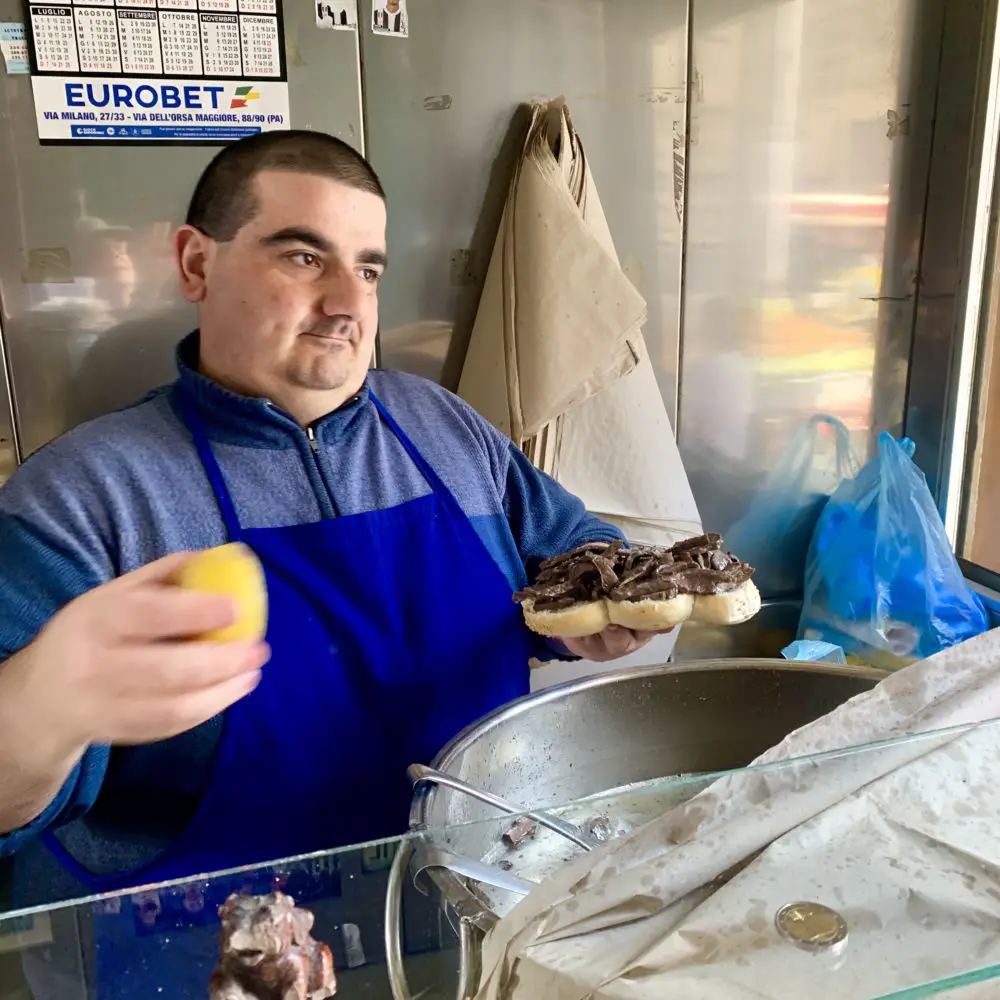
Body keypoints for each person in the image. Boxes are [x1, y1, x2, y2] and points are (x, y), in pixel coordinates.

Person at [0, 130, 663, 913]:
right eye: (303, 257)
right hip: (203, 948)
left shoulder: (442, 427)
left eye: (368, 268)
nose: (349, 303)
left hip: (470, 900)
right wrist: (39, 707)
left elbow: (578, 554)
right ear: (195, 263)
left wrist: (603, 610)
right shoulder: (81, 498)